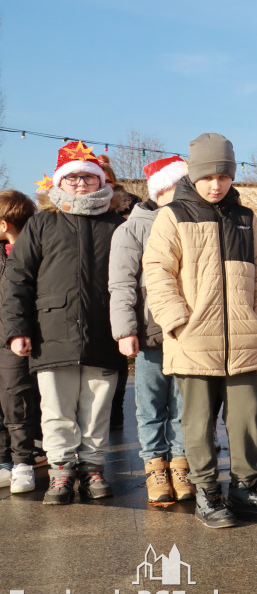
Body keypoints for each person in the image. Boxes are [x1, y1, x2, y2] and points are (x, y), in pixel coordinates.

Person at [144, 133, 257, 528]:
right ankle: (208, 491)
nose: (215, 184)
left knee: (246, 415)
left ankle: (244, 486)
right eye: (207, 176)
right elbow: (157, 272)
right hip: (192, 338)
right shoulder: (173, 216)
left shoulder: (246, 218)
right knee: (198, 420)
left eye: (223, 175)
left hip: (241, 337)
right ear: (194, 173)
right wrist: (175, 319)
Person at [2, 142, 125, 505]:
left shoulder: (117, 225)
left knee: (97, 407)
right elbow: (17, 279)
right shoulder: (42, 224)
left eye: (88, 176)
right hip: (51, 333)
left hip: (105, 333)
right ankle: (60, 470)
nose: (80, 184)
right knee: (56, 409)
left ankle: (92, 467)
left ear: (100, 181)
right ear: (60, 183)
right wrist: (16, 329)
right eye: (72, 177)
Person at [109, 155, 193, 504]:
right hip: (152, 331)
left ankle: (180, 464)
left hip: (189, 331)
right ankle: (155, 466)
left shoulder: (192, 221)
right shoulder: (133, 228)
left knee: (183, 402)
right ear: (161, 190)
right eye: (180, 186)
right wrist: (125, 329)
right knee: (151, 403)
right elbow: (122, 283)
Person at [96, 154, 141, 431]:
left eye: (108, 180)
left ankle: (116, 411)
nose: (104, 186)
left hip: (123, 285)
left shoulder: (129, 209)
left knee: (118, 355)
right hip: (97, 286)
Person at [0, 190, 40, 493]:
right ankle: (2, 460)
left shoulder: (30, 252)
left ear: (4, 225)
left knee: (18, 398)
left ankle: (22, 460)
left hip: (17, 336)